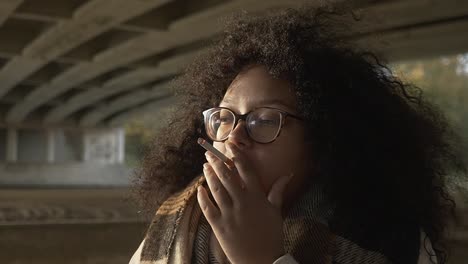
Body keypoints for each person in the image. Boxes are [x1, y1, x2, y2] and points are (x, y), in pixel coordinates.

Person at [129, 5, 467, 264]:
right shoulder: (175, 223)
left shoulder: (390, 241)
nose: (233, 139)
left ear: (322, 143)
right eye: (224, 118)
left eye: (264, 120)